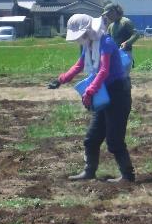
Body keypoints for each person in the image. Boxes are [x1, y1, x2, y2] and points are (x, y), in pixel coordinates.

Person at [47, 14, 135, 183]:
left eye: (81, 34)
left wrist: (89, 92)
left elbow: (104, 70)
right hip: (102, 92)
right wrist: (61, 79)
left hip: (118, 94)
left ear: (88, 30)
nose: (80, 39)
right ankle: (89, 172)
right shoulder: (89, 44)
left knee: (114, 140)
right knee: (92, 139)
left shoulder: (106, 42)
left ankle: (128, 175)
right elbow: (79, 65)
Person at [102, 3, 140, 76]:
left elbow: (136, 34)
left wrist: (127, 43)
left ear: (114, 11)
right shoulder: (111, 25)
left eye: (108, 14)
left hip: (125, 54)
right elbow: (107, 39)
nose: (107, 16)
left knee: (122, 78)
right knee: (115, 78)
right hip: (114, 55)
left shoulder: (125, 22)